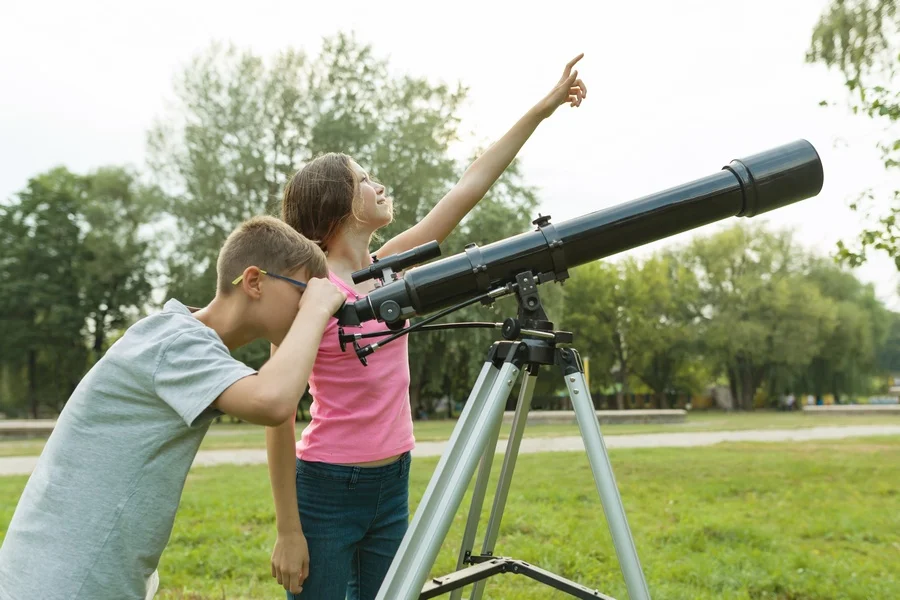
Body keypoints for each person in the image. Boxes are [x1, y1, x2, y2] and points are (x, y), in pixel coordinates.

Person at [265, 54, 589, 599]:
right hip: (326, 488)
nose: (379, 185)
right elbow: (277, 418)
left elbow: (469, 186)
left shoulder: (391, 271)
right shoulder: (304, 298)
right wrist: (287, 530)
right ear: (336, 209)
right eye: (364, 180)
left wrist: (543, 108)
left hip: (393, 481)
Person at [0, 216, 346, 600]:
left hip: (77, 574)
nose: (311, 305)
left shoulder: (180, 338)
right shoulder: (173, 343)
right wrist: (316, 310)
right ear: (254, 281)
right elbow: (272, 402)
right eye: (303, 291)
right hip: (65, 582)